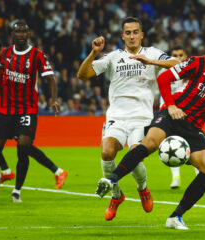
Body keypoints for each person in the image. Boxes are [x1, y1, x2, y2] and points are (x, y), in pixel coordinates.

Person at [95, 27, 205, 229]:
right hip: (172, 116)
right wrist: (171, 105)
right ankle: (111, 180)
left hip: (193, 126)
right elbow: (164, 78)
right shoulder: (198, 62)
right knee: (149, 143)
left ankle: (175, 217)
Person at [77, 17, 180, 221]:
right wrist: (94, 53)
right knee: (107, 152)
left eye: (135, 32)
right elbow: (83, 74)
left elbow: (178, 63)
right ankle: (116, 195)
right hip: (117, 115)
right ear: (122, 36)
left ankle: (143, 188)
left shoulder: (153, 53)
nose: (132, 36)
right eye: (128, 33)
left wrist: (150, 62)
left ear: (141, 34)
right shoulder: (113, 57)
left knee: (135, 155)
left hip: (142, 117)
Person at [0, 21, 67, 203]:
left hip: (27, 109)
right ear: (12, 34)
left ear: (28, 33)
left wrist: (54, 99)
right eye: (18, 31)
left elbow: (50, 78)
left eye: (24, 31)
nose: (21, 34)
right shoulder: (6, 53)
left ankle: (17, 191)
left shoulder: (37, 55)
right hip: (6, 110)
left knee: (23, 148)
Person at [162, 46, 205, 189]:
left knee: (194, 145)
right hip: (170, 112)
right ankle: (176, 178)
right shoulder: (167, 72)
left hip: (189, 112)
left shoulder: (193, 71)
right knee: (173, 145)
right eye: (174, 55)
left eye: (181, 54)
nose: (178, 57)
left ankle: (200, 176)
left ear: (186, 56)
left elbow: (203, 89)